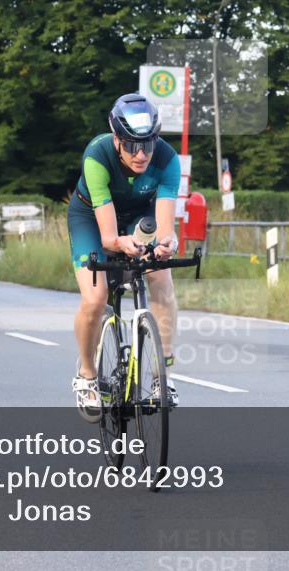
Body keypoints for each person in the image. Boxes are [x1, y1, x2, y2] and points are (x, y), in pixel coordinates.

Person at [68, 94, 181, 420]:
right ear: (117, 139)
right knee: (96, 298)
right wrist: (121, 243)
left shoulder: (167, 160)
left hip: (137, 216)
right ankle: (87, 374)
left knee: (161, 275)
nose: (141, 154)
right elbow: (108, 239)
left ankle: (162, 376)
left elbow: (166, 228)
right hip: (91, 219)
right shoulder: (97, 155)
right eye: (132, 146)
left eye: (148, 144)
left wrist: (167, 244)